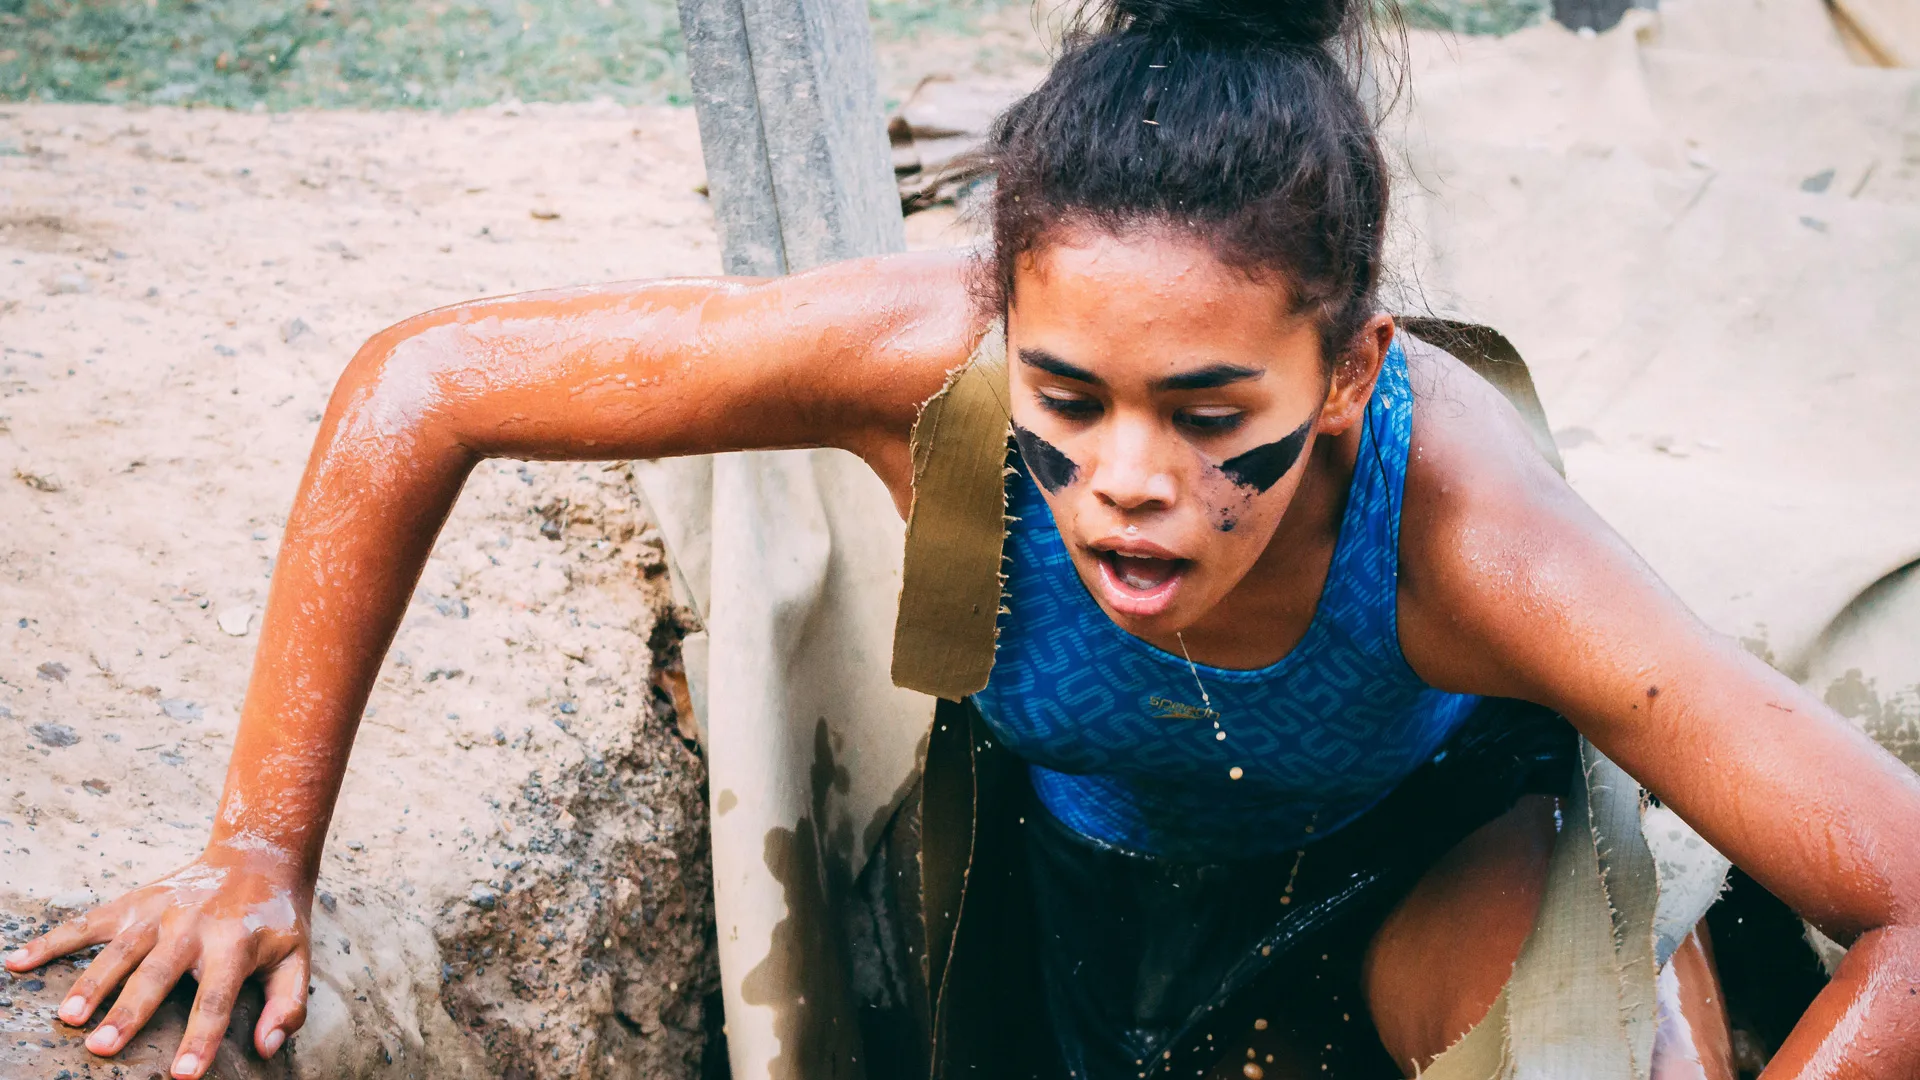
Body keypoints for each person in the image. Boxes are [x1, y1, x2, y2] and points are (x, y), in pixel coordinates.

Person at [10, 0, 1919, 1077]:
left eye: (1212, 416)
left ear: (1348, 373)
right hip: (1078, 887)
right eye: (1069, 397)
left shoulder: (1471, 538)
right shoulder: (923, 372)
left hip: (1425, 861)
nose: (1126, 482)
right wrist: (256, 848)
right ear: (1002, 326)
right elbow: (427, 383)